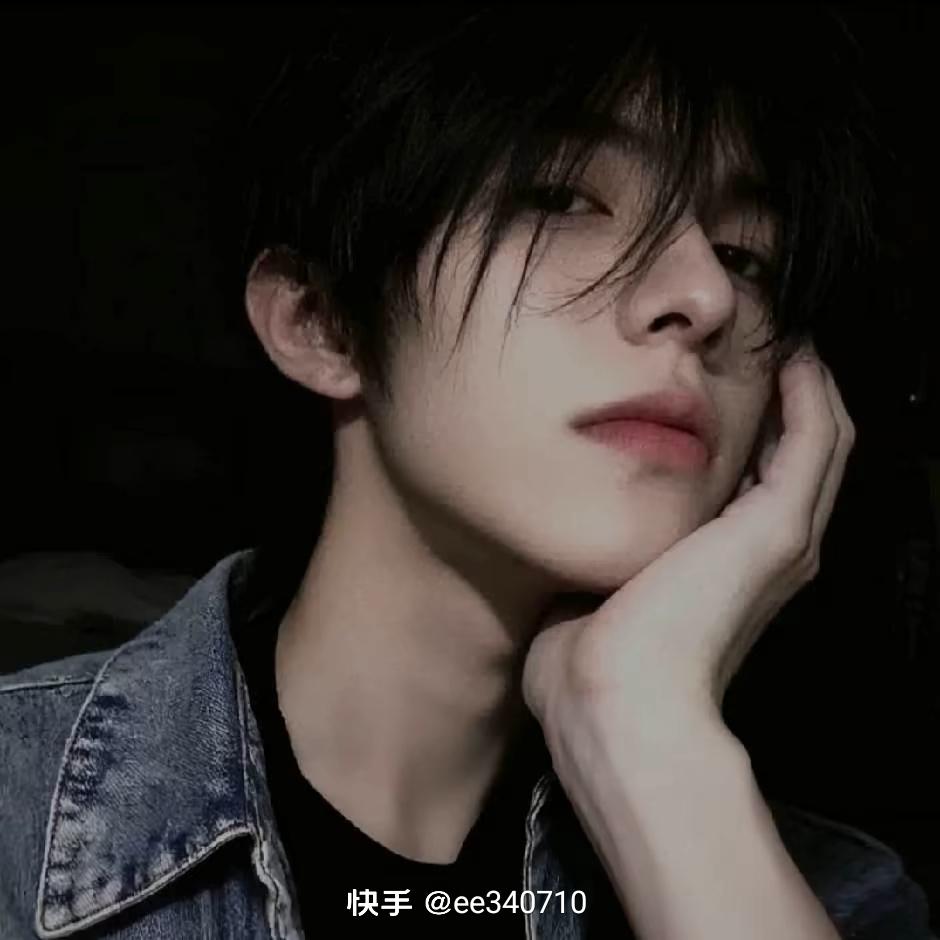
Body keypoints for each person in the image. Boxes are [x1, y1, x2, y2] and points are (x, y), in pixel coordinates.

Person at [0, 5, 934, 939]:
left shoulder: (828, 899)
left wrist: (647, 735)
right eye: (564, 198)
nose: (706, 295)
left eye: (745, 254)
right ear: (321, 321)